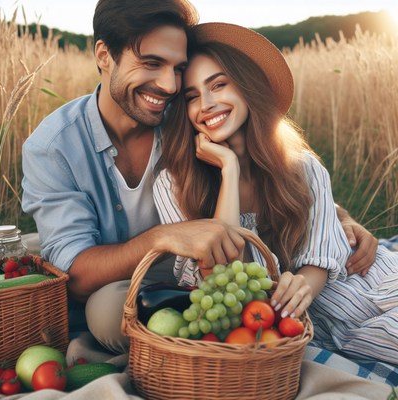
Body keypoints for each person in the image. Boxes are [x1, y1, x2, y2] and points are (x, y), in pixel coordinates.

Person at [21, 0, 376, 355]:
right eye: (151, 63)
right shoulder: (54, 147)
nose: (168, 85)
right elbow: (75, 276)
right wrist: (165, 238)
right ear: (104, 55)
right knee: (107, 313)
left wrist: (339, 217)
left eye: (177, 68)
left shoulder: (187, 113)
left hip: (207, 280)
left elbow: (276, 172)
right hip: (135, 287)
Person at [153, 22, 398, 365]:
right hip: (309, 320)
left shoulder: (303, 168)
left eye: (219, 85)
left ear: (247, 89)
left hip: (356, 285)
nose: (206, 104)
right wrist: (229, 170)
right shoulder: (173, 184)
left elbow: (320, 260)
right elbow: (223, 281)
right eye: (192, 96)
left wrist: (303, 287)